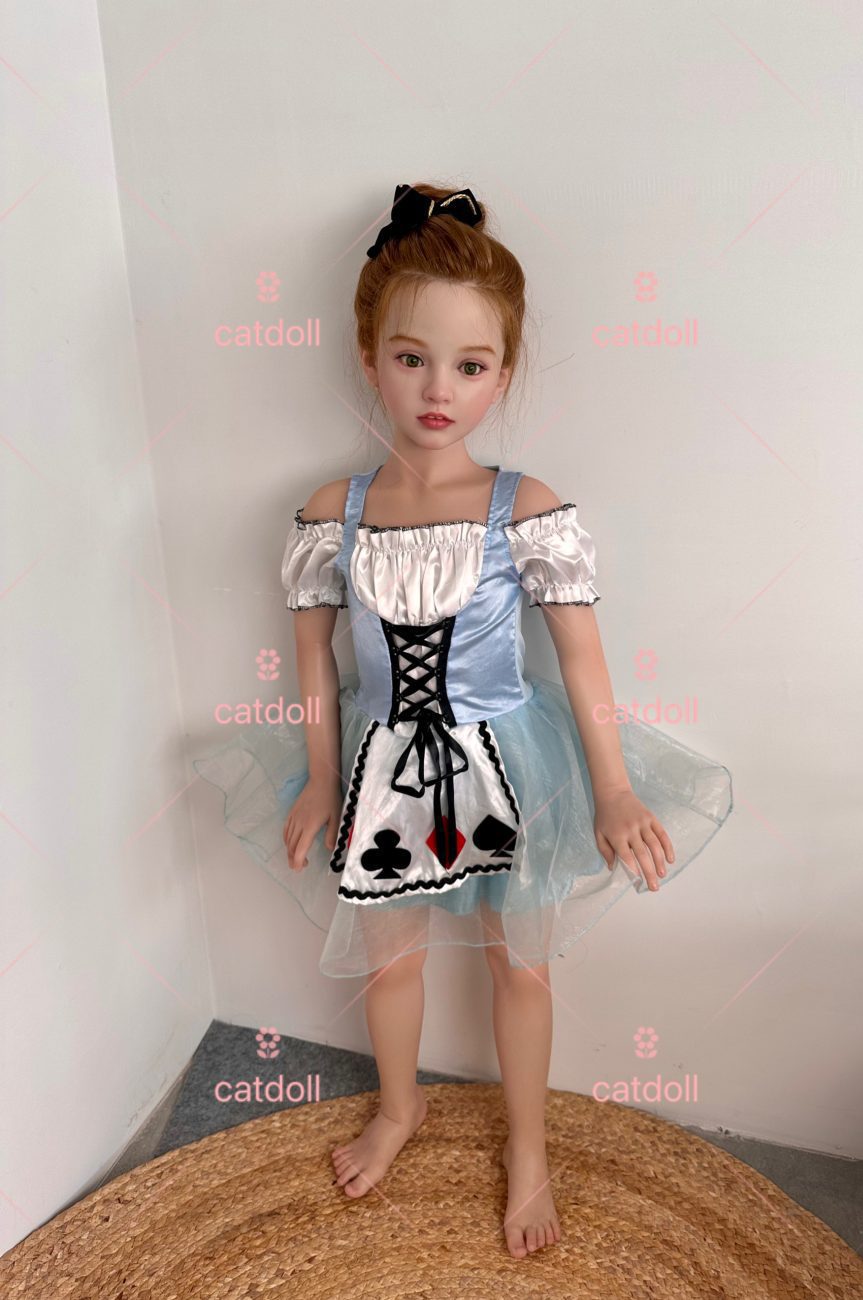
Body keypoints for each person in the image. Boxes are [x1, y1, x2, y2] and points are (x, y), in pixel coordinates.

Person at [193, 181, 733, 1259]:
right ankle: (400, 1106)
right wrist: (318, 775)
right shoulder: (329, 516)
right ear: (369, 357)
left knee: (519, 963)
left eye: (471, 366)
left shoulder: (524, 509)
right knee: (390, 960)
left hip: (513, 762)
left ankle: (528, 1148)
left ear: (504, 372)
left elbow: (581, 656)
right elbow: (314, 662)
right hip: (380, 765)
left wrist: (612, 786)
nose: (439, 389)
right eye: (412, 357)